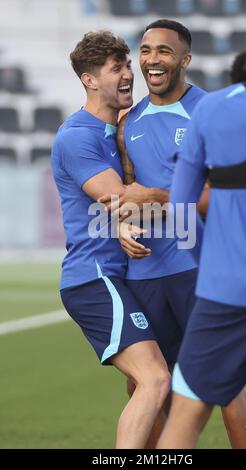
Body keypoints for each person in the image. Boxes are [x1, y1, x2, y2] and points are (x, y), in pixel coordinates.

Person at [99, 19, 246, 448]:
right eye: (146, 50)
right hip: (146, 270)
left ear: (185, 59)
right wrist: (123, 222)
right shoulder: (127, 121)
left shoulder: (213, 113)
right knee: (146, 386)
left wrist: (153, 194)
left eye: (164, 51)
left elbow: (224, 196)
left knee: (222, 383)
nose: (152, 59)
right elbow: (126, 189)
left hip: (200, 266)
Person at [158, 8, 246, 449]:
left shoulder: (211, 108)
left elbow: (179, 209)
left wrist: (207, 266)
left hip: (225, 293)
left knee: (183, 423)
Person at [51, 31, 170, 449]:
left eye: (126, 65)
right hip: (94, 278)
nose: (128, 74)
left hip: (125, 276)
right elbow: (124, 201)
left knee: (148, 387)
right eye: (115, 68)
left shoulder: (121, 129)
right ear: (90, 80)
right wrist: (203, 202)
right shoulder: (77, 136)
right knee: (156, 379)